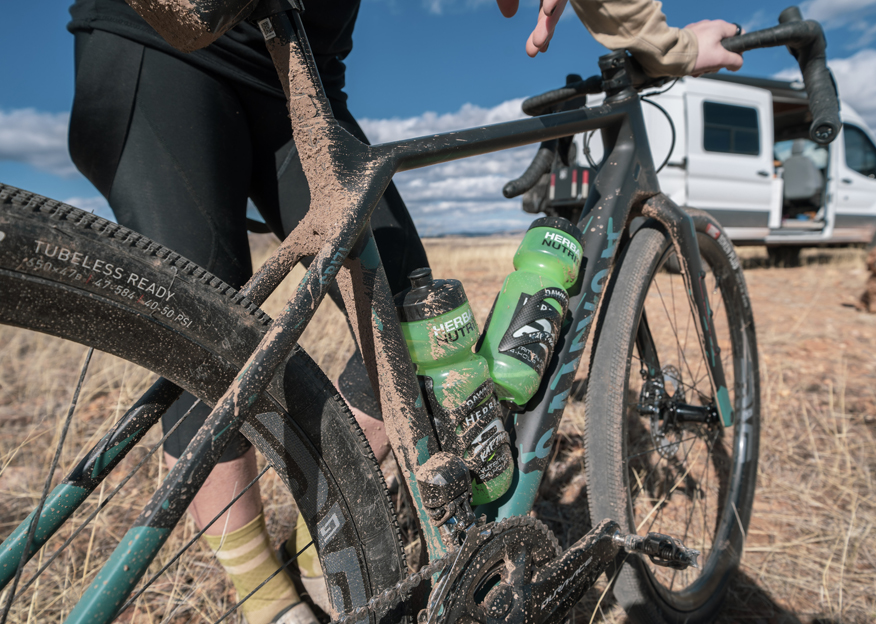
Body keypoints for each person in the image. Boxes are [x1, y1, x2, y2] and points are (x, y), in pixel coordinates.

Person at [67, 1, 744, 622]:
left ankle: (328, 534)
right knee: (206, 343)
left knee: (423, 329)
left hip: (300, 78)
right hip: (159, 45)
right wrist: (670, 46)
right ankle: (266, 598)